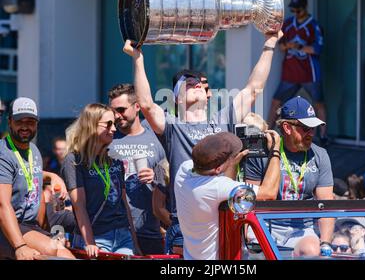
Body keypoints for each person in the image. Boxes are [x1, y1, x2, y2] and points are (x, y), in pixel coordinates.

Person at [123, 29, 282, 254]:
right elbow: (147, 103)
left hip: (227, 214)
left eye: (199, 82)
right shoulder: (173, 128)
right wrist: (138, 58)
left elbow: (253, 89)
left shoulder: (221, 121)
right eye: (188, 83)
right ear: (176, 97)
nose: (196, 83)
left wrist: (270, 43)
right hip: (186, 223)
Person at [247, 96, 334, 255]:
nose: (311, 134)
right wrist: (249, 235)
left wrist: (326, 243)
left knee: (311, 251)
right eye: (306, 128)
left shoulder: (320, 155)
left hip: (302, 230)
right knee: (257, 254)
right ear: (287, 128)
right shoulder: (260, 152)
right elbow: (250, 199)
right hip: (264, 225)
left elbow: (326, 205)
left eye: (313, 128)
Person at [174, 131, 281, 260]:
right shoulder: (216, 187)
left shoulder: (184, 170)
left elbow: (222, 184)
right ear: (218, 169)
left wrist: (231, 164)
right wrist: (275, 151)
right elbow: (269, 193)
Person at [0, 97, 74, 260]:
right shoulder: (3, 154)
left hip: (30, 226)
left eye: (31, 121)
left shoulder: (33, 150)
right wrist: (20, 246)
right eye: (20, 121)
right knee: (49, 249)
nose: (25, 127)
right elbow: (2, 205)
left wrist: (52, 176)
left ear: (37, 123)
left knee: (67, 256)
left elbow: (27, 173)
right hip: (8, 226)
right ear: (10, 121)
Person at [62, 103, 139, 258]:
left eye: (114, 124)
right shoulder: (74, 160)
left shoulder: (114, 159)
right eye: (108, 124)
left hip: (123, 236)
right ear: (91, 125)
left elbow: (123, 203)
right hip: (96, 238)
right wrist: (90, 243)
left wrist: (135, 243)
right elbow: (79, 206)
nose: (114, 129)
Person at [107, 83, 166, 255]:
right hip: (116, 231)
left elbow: (172, 178)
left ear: (137, 106)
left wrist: (156, 176)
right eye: (113, 111)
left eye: (122, 109)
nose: (117, 116)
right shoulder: (108, 139)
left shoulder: (157, 137)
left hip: (152, 230)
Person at [267, 0, 327, 145]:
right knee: (276, 102)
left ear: (305, 8)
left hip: (310, 74)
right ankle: (266, 132)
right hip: (290, 73)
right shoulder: (288, 23)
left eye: (298, 10)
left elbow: (317, 49)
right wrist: (288, 45)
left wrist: (299, 46)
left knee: (318, 103)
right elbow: (281, 45)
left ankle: (323, 136)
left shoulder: (314, 25)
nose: (295, 13)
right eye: (293, 10)